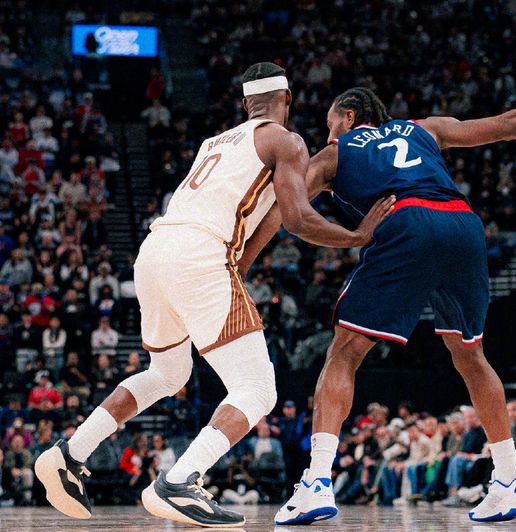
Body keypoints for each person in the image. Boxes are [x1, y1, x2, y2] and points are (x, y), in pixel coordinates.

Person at [236, 70, 516, 524]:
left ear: (349, 117)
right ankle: (511, 480)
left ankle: (316, 481)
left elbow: (284, 212)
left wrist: (241, 263)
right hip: (462, 223)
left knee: (344, 353)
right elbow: (508, 124)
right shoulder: (425, 128)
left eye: (330, 124)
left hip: (406, 222)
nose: (328, 134)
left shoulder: (334, 154)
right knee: (472, 356)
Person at [35, 62, 389, 528]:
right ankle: (180, 481)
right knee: (257, 389)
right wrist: (358, 236)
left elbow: (267, 220)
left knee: (167, 372)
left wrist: (239, 267)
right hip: (201, 254)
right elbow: (297, 218)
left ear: (245, 104)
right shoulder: (286, 141)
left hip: (155, 250)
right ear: (286, 99)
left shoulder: (214, 143)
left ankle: (70, 452)